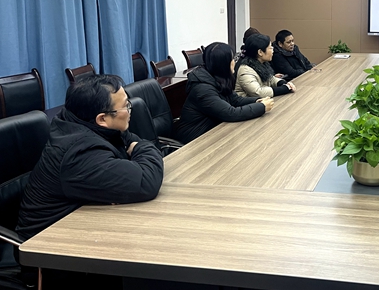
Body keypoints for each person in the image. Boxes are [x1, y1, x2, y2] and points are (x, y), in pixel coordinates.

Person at [16, 74, 164, 242]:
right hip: (48, 244)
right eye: (126, 106)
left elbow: (134, 143)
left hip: (85, 224)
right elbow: (147, 181)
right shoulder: (80, 153)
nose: (130, 110)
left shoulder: (87, 123)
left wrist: (139, 148)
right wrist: (140, 148)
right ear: (102, 118)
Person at [176, 42, 273, 144]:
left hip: (214, 133)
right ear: (223, 63)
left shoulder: (217, 78)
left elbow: (236, 100)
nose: (234, 62)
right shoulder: (202, 89)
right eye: (232, 59)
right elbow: (231, 113)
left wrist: (257, 101)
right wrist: (262, 107)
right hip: (194, 140)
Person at [235, 34, 296, 98]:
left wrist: (283, 83)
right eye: (270, 47)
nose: (273, 50)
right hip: (251, 103)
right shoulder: (245, 70)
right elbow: (258, 92)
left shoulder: (262, 63)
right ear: (260, 52)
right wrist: (284, 88)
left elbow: (271, 79)